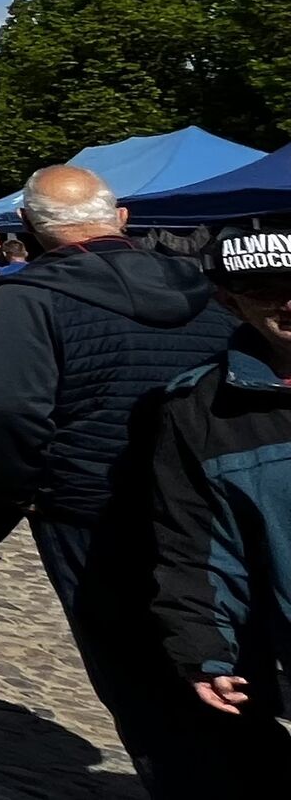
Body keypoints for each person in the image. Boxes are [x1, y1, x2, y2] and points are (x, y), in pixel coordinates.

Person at [0, 166, 238, 792]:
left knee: (136, 676)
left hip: (91, 511)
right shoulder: (207, 286)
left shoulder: (30, 298)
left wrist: (11, 493)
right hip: (210, 507)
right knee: (223, 662)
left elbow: (5, 410)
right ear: (123, 218)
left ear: (26, 226)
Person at [145, 225, 291, 780]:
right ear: (231, 301)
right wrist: (205, 650)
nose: (290, 300)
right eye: (268, 288)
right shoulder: (199, 410)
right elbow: (195, 546)